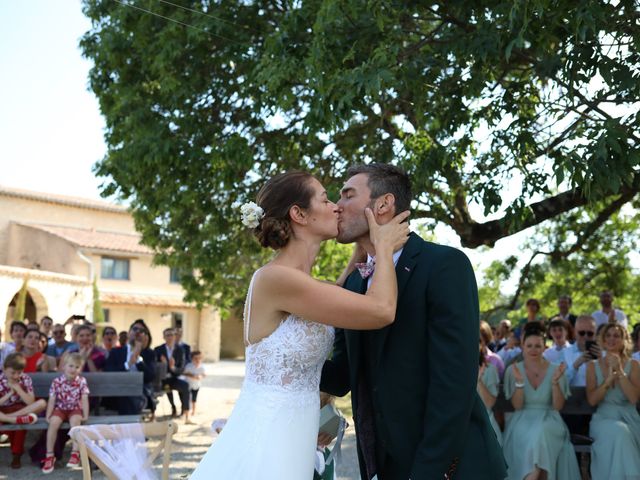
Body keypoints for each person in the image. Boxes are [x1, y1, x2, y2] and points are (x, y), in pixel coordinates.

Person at [191, 170, 410, 479]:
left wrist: (358, 255)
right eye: (325, 198)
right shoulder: (274, 279)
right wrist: (384, 248)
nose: (336, 206)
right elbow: (381, 310)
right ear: (298, 214)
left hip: (296, 434)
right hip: (268, 439)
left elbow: (330, 298)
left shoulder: (303, 285)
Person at [320, 164, 505, 480]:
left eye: (347, 195)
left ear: (383, 204)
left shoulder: (445, 266)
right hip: (383, 467)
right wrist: (280, 353)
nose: (337, 206)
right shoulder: (354, 284)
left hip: (450, 468)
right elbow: (341, 376)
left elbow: (454, 385)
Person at [502, 324, 580, 480]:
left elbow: (557, 406)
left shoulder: (557, 369)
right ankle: (535, 473)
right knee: (535, 436)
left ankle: (532, 475)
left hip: (549, 418)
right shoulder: (513, 370)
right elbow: (517, 406)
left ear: (545, 347)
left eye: (538, 346)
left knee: (540, 433)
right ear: (522, 347)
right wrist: (519, 382)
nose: (533, 349)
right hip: (521, 420)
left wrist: (555, 382)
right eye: (529, 345)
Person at [586, 323, 640, 480]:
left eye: (616, 336)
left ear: (624, 340)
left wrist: (620, 372)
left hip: (631, 418)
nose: (611, 339)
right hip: (603, 418)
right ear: (602, 340)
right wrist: (608, 380)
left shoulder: (634, 365)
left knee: (624, 432)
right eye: (608, 335)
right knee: (619, 432)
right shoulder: (592, 366)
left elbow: (633, 398)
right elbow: (592, 400)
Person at [41, 352, 90, 473]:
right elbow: (52, 399)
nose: (73, 369)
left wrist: (85, 414)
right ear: (63, 366)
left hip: (74, 409)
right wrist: (48, 414)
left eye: (77, 367)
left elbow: (84, 398)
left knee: (76, 423)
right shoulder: (57, 382)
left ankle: (75, 453)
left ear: (80, 369)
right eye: (71, 366)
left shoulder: (82, 381)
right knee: (53, 423)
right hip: (60, 408)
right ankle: (49, 455)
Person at [0, 353, 47, 468]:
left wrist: (18, 389)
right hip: (2, 409)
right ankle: (14, 420)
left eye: (19, 372)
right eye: (12, 373)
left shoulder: (25, 379)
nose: (16, 376)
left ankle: (16, 455)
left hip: (19, 410)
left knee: (42, 403)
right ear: (4, 369)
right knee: (22, 421)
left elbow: (31, 402)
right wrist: (10, 393)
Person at [105, 321, 156, 415]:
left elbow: (150, 377)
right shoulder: (116, 352)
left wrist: (138, 360)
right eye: (135, 329)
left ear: (145, 336)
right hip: (118, 394)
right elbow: (109, 372)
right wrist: (128, 364)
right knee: (126, 395)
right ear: (128, 333)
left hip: (141, 393)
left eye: (142, 331)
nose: (138, 332)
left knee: (130, 396)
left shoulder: (149, 354)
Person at [154, 328, 191, 422]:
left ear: (175, 336)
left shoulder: (180, 350)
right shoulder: (158, 349)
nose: (170, 337)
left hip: (174, 377)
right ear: (164, 337)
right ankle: (173, 408)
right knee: (167, 388)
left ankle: (185, 411)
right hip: (163, 379)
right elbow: (154, 366)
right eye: (167, 335)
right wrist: (164, 364)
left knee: (185, 386)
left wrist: (173, 367)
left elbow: (181, 367)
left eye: (172, 335)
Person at [477, 340, 502, 446]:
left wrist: (478, 381)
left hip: (485, 422)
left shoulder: (490, 369)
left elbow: (489, 403)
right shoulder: (454, 369)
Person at [182, 350, 205, 420]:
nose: (197, 360)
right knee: (188, 399)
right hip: (188, 385)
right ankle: (186, 412)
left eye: (199, 358)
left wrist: (200, 376)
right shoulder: (189, 366)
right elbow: (185, 373)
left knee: (194, 399)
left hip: (197, 385)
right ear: (192, 359)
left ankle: (194, 411)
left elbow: (204, 374)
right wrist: (193, 376)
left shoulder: (202, 367)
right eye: (195, 358)